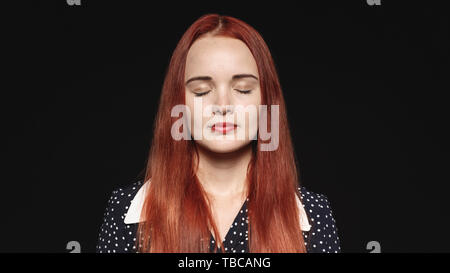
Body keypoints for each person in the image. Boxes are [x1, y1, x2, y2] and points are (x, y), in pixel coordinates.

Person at [96, 13, 341, 253]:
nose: (223, 105)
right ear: (177, 105)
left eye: (243, 89)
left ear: (267, 103)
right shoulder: (126, 209)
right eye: (201, 91)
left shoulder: (313, 213)